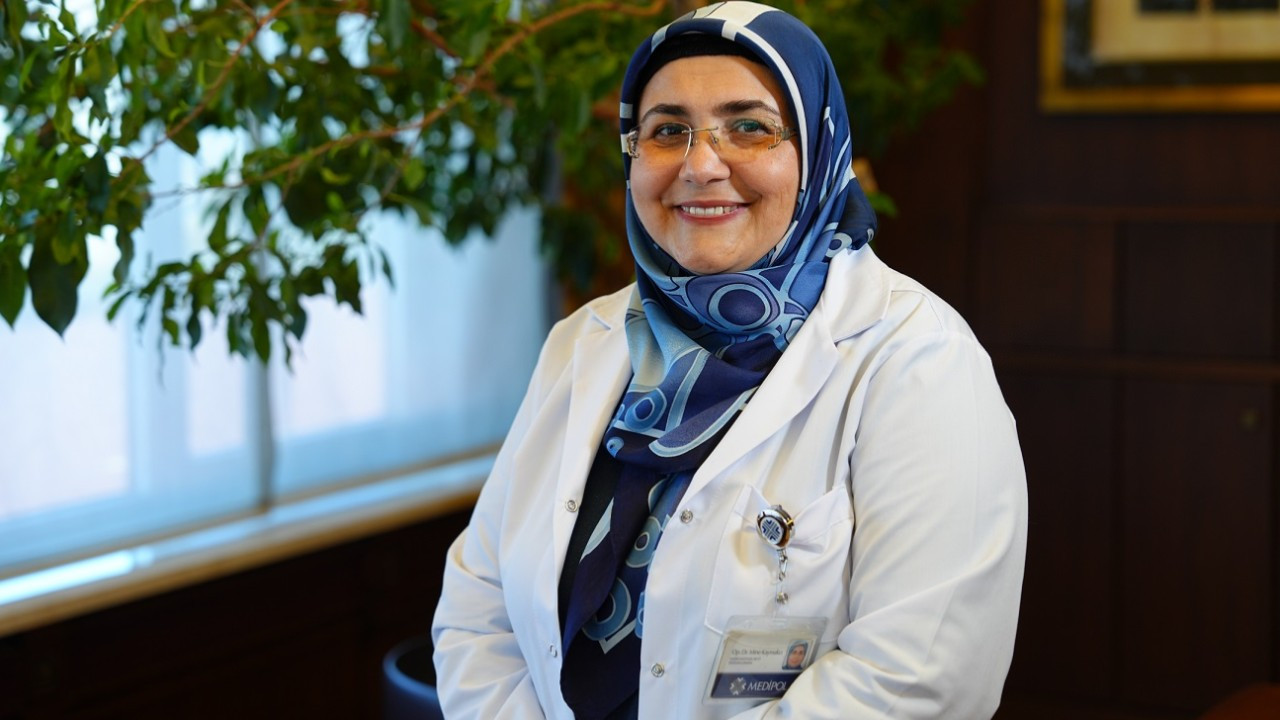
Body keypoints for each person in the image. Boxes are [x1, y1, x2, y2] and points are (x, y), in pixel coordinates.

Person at [431, 3, 1027, 719]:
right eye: (666, 131)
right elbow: (479, 609)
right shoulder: (583, 341)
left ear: (817, 151)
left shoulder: (917, 362)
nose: (701, 165)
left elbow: (920, 679)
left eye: (749, 127)